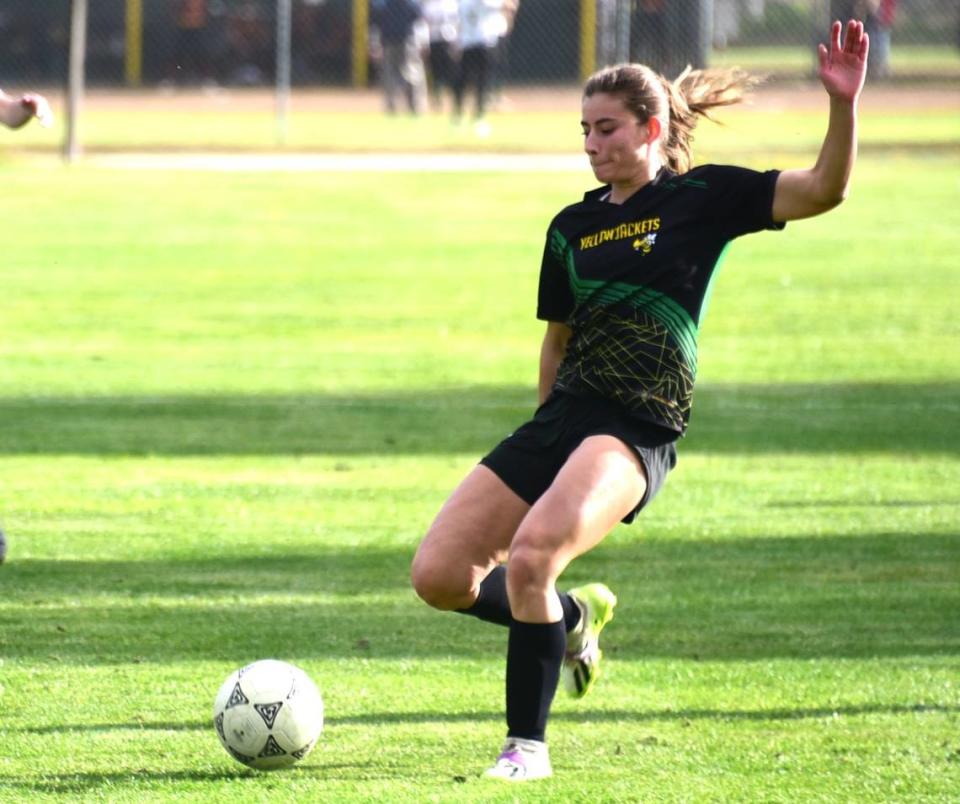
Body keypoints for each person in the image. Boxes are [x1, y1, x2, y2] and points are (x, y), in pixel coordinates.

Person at [412, 19, 869, 782]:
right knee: (440, 575)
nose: (591, 144)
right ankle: (572, 619)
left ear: (651, 129)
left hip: (634, 428)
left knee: (530, 560)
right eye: (584, 130)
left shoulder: (705, 198)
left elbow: (826, 188)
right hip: (563, 421)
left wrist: (843, 106)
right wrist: (544, 436)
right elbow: (556, 342)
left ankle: (526, 749)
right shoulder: (572, 228)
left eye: (606, 128)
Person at [452, 0, 507, 133]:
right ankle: (459, 116)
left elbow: (504, 6)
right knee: (463, 80)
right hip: (468, 44)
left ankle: (479, 117)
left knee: (483, 82)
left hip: (485, 42)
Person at [370, 0, 428, 115]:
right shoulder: (408, 3)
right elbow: (420, 23)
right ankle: (403, 106)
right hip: (396, 43)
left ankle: (407, 106)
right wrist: (423, 42)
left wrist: (374, 44)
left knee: (401, 74)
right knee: (405, 74)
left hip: (402, 43)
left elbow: (420, 22)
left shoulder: (382, 3)